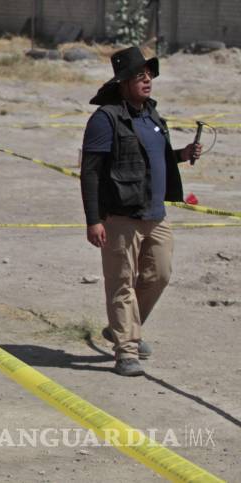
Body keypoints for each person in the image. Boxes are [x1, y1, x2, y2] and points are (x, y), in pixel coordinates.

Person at [80, 46, 202, 377]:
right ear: (123, 83)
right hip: (120, 216)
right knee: (121, 282)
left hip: (155, 215)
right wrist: (94, 220)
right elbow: (90, 173)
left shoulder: (152, 116)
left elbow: (154, 159)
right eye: (139, 76)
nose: (147, 80)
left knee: (158, 275)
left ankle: (122, 328)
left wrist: (181, 154)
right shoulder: (106, 119)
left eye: (149, 75)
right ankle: (126, 350)